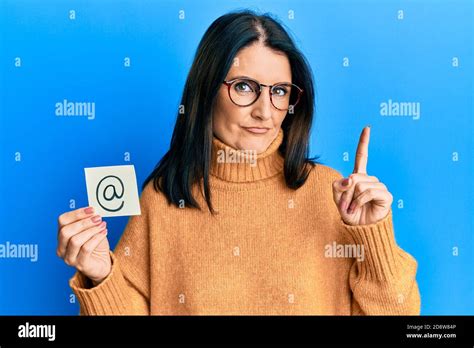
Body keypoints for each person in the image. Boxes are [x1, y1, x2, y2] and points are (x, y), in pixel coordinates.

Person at [57, 10, 421, 315]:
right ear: (207, 90)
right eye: (245, 86)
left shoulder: (332, 195)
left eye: (279, 91)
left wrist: (374, 238)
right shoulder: (164, 199)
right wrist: (102, 274)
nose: (264, 111)